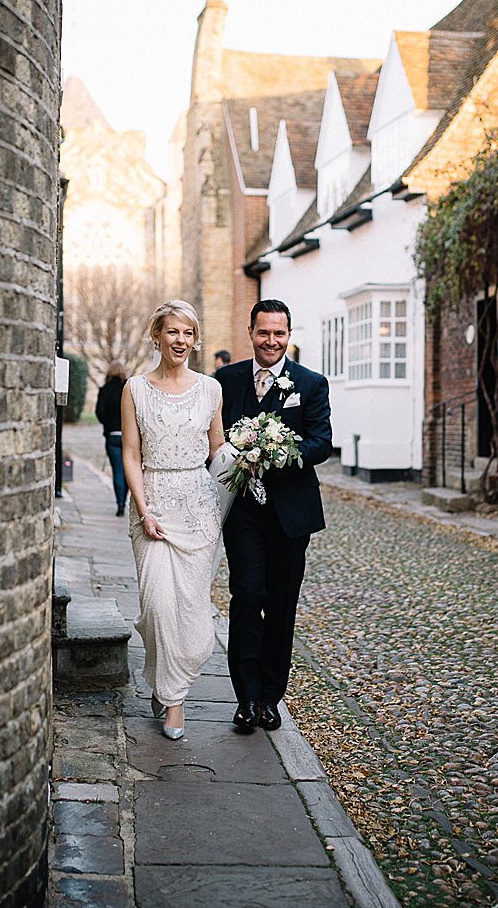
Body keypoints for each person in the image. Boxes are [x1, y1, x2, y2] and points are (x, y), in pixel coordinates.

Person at [214, 299, 332, 733]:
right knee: (247, 597)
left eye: (279, 334)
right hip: (242, 510)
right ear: (251, 332)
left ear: (289, 335)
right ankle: (244, 698)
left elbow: (321, 442)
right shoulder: (224, 381)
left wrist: (279, 452)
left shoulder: (311, 383)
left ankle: (269, 698)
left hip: (290, 515)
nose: (271, 341)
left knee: (282, 607)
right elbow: (212, 439)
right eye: (263, 333)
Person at [121, 300, 225, 740]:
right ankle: (170, 690)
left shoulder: (211, 390)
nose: (180, 340)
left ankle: (172, 693)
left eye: (187, 333)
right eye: (172, 332)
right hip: (154, 505)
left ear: (195, 339)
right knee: (158, 607)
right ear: (157, 336)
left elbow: (218, 451)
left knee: (191, 610)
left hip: (199, 510)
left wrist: (253, 459)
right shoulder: (135, 389)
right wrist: (144, 510)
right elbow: (131, 453)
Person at [93, 364, 128, 515]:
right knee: (128, 470)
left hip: (112, 435)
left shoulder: (105, 390)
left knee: (117, 470)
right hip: (128, 436)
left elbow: (99, 411)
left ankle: (120, 503)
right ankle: (124, 500)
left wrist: (108, 424)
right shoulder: (128, 388)